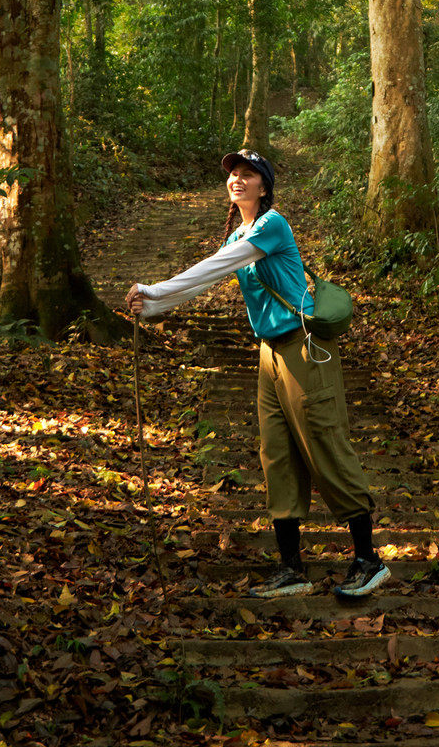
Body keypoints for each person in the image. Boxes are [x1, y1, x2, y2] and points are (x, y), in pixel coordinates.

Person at [125, 150, 391, 600]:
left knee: (325, 442)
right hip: (269, 354)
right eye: (233, 174)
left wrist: (153, 290)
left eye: (248, 174)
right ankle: (292, 569)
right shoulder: (241, 233)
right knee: (277, 455)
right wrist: (152, 307)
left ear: (264, 187)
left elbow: (212, 268)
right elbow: (208, 278)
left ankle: (368, 560)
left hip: (305, 349)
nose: (237, 180)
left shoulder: (272, 224)